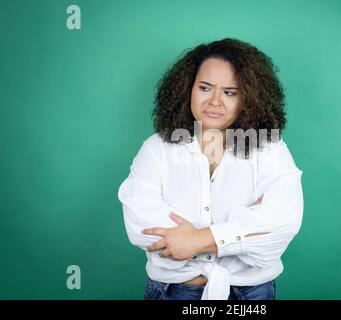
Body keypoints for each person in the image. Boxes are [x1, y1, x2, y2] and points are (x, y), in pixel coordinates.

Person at [117, 38, 304, 300]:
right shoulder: (156, 148)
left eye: (230, 92)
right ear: (187, 89)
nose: (215, 101)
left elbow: (281, 225)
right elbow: (142, 228)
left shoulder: (270, 149)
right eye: (205, 88)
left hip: (251, 294)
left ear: (248, 97)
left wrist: (197, 239)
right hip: (174, 292)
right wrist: (242, 234)